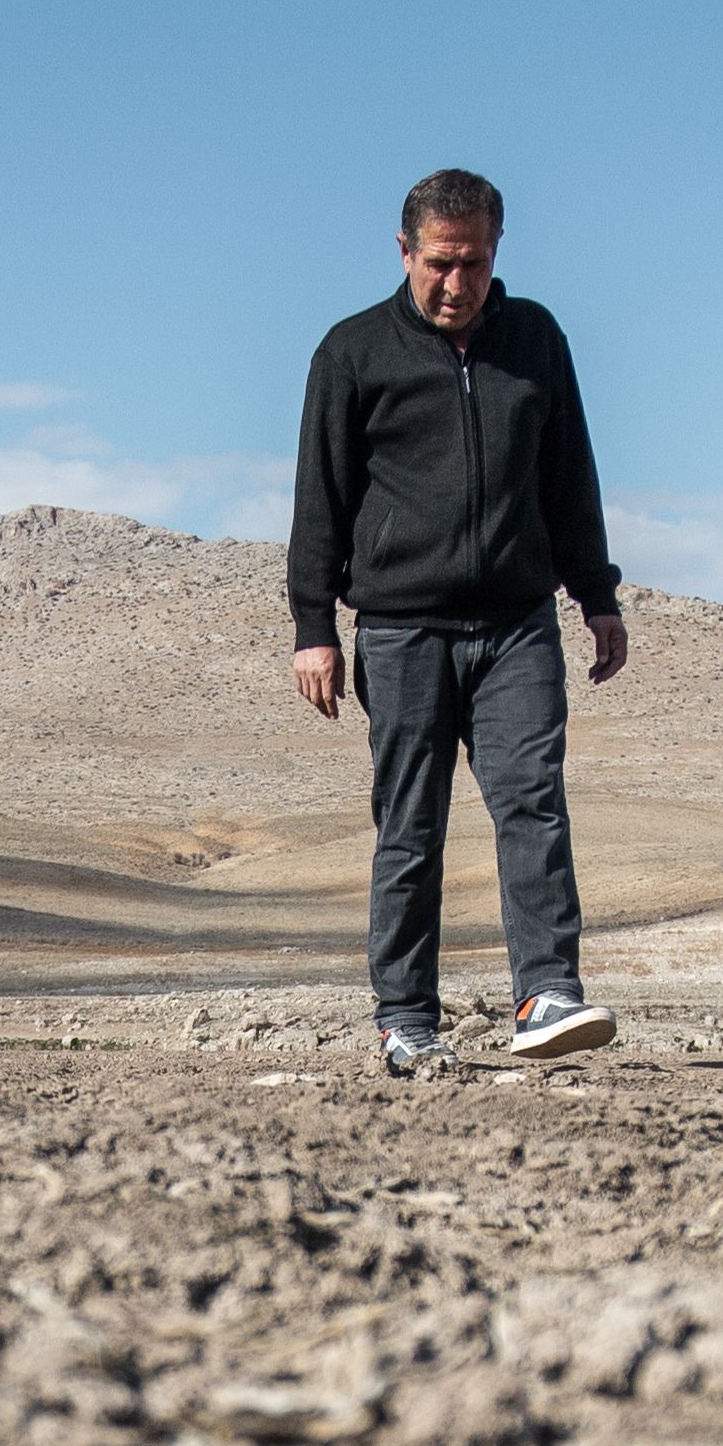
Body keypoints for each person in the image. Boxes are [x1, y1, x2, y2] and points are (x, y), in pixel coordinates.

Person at [287, 168, 625, 1077]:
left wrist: (596, 593)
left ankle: (546, 993)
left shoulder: (535, 342)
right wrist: (312, 623)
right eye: (439, 263)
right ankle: (406, 1016)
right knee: (411, 824)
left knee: (532, 805)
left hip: (517, 623)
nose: (455, 283)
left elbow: (571, 478)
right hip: (402, 630)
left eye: (473, 263)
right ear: (404, 252)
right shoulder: (353, 353)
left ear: (496, 252)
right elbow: (319, 498)